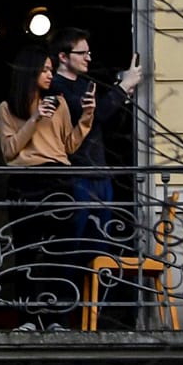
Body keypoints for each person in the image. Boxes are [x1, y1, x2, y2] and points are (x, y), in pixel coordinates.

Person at [0, 45, 92, 324]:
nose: (51, 75)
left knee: (60, 251)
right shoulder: (8, 107)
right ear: (30, 72)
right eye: (45, 70)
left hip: (58, 179)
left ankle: (58, 319)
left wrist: (86, 118)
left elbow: (68, 146)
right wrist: (35, 118)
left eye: (52, 69)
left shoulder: (60, 103)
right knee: (24, 250)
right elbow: (9, 151)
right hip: (24, 180)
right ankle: (26, 318)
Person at [51, 28, 144, 248]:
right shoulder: (55, 87)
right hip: (76, 176)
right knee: (74, 244)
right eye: (82, 53)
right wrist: (122, 87)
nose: (88, 58)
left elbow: (108, 125)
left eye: (89, 53)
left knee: (99, 247)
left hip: (99, 173)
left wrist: (123, 97)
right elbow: (93, 115)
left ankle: (93, 284)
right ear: (63, 57)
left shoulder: (85, 85)